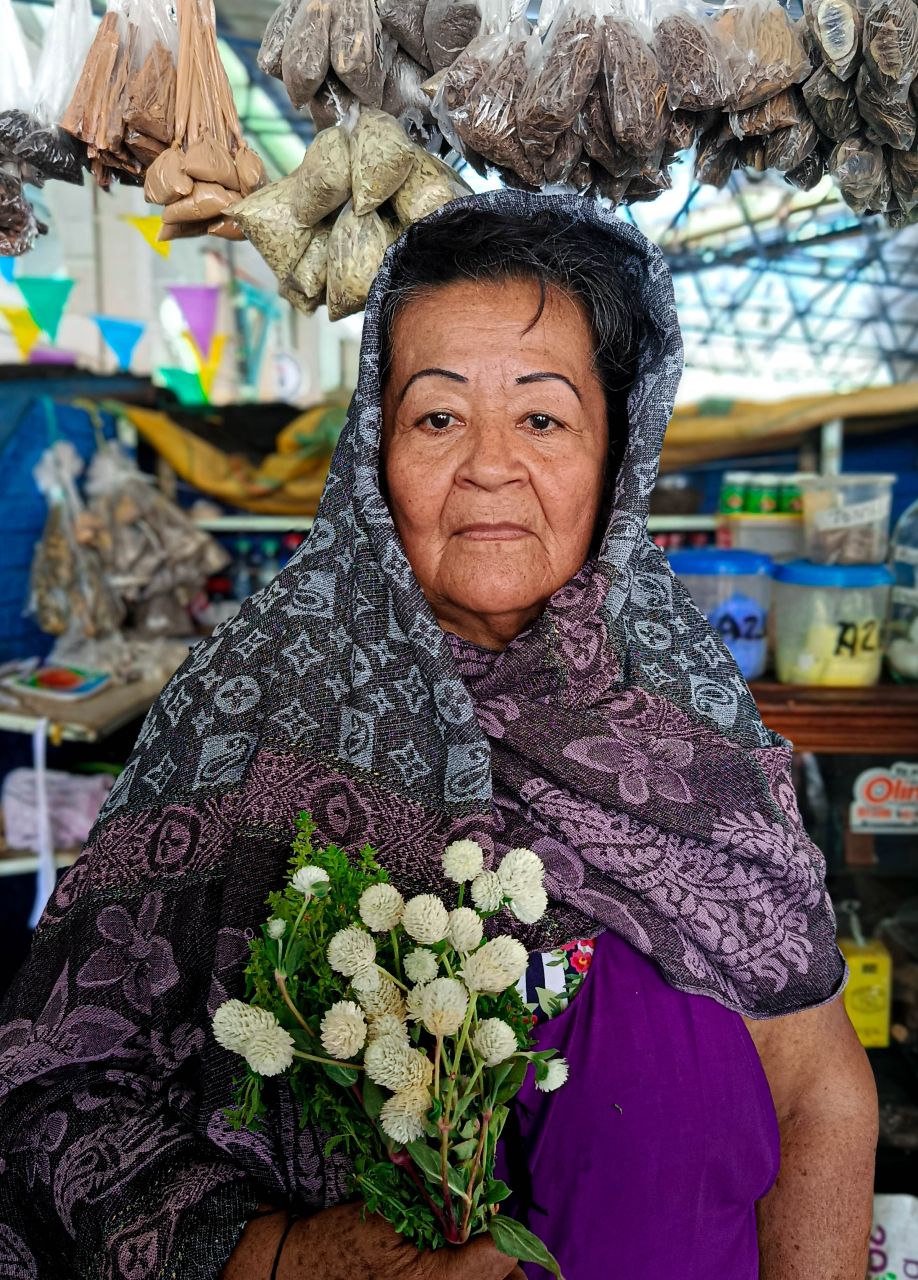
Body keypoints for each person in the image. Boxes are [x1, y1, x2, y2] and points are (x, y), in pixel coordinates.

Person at [0, 192, 876, 1280]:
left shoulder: (685, 705)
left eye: (543, 418)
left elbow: (818, 1083)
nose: (490, 465)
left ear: (616, 454)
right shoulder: (251, 704)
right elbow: (53, 1086)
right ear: (376, 449)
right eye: (438, 417)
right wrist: (282, 1257)